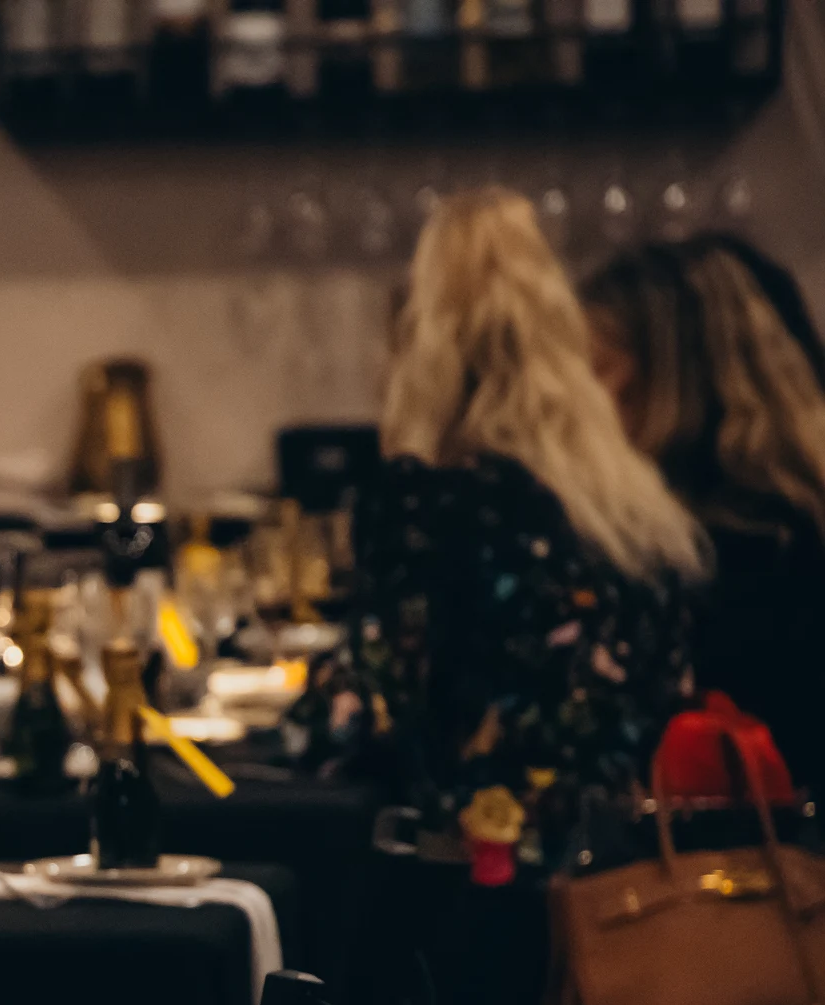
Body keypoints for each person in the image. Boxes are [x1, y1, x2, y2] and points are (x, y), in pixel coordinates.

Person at [298, 187, 707, 855]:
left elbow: (366, 716)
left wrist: (310, 701)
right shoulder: (632, 505)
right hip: (631, 882)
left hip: (481, 884)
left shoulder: (426, 504)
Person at [583, 238, 825, 787]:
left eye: (596, 370)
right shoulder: (793, 521)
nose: (576, 402)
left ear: (668, 383)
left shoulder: (725, 554)